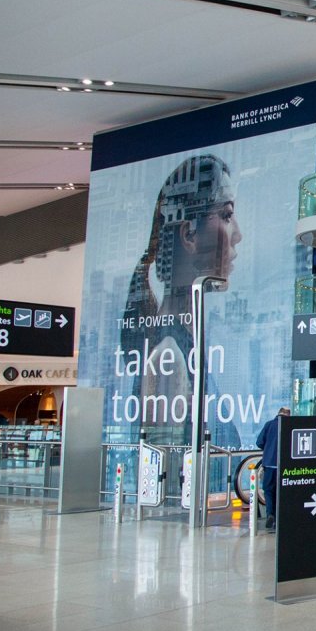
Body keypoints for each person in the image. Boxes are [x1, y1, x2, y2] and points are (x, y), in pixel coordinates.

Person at [121, 154, 241, 443]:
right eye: (226, 215)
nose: (237, 234)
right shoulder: (169, 354)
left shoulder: (181, 343)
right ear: (189, 234)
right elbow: (164, 457)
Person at [255, 407, 289, 530]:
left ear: (278, 413)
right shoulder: (289, 426)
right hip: (284, 465)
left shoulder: (269, 424)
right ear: (288, 415)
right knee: (282, 491)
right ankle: (280, 516)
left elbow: (259, 442)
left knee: (268, 491)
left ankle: (270, 514)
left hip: (269, 464)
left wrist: (268, 449)